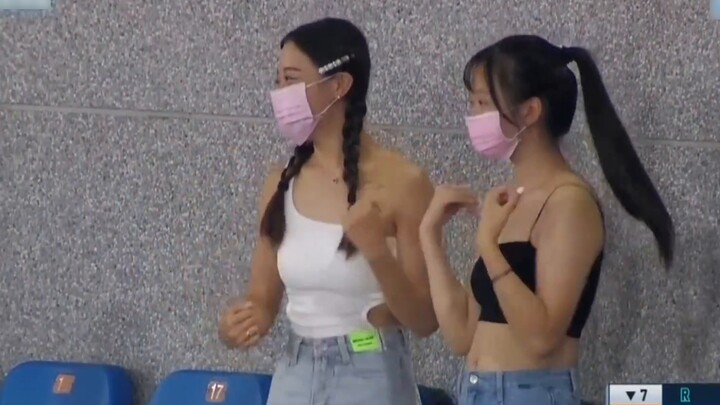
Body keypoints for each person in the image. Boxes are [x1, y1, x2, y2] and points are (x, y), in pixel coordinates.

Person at [419, 35, 674, 405]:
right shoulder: (507, 199)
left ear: (530, 112)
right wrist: (430, 235)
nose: (472, 115)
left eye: (482, 102)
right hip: (475, 392)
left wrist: (489, 247)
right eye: (471, 102)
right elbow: (460, 334)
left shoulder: (570, 203)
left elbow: (541, 338)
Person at [218, 18, 436, 405]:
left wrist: (377, 252)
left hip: (371, 369)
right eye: (278, 80)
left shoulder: (403, 182)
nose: (280, 93)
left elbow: (424, 319)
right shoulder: (281, 181)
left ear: (339, 85)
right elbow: (263, 298)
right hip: (295, 370)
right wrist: (243, 323)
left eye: (292, 79)